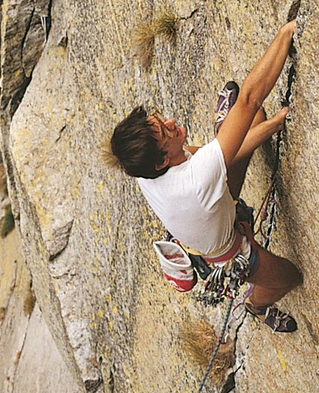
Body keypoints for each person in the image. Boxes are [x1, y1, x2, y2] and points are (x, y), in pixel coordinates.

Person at [107, 19, 303, 332]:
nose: (172, 121)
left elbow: (200, 156)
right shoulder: (195, 180)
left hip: (216, 209)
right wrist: (286, 32)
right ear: (162, 161)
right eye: (166, 131)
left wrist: (269, 127)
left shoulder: (144, 172)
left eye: (162, 120)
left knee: (255, 119)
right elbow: (250, 95)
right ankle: (257, 306)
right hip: (231, 252)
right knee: (291, 276)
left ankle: (225, 131)